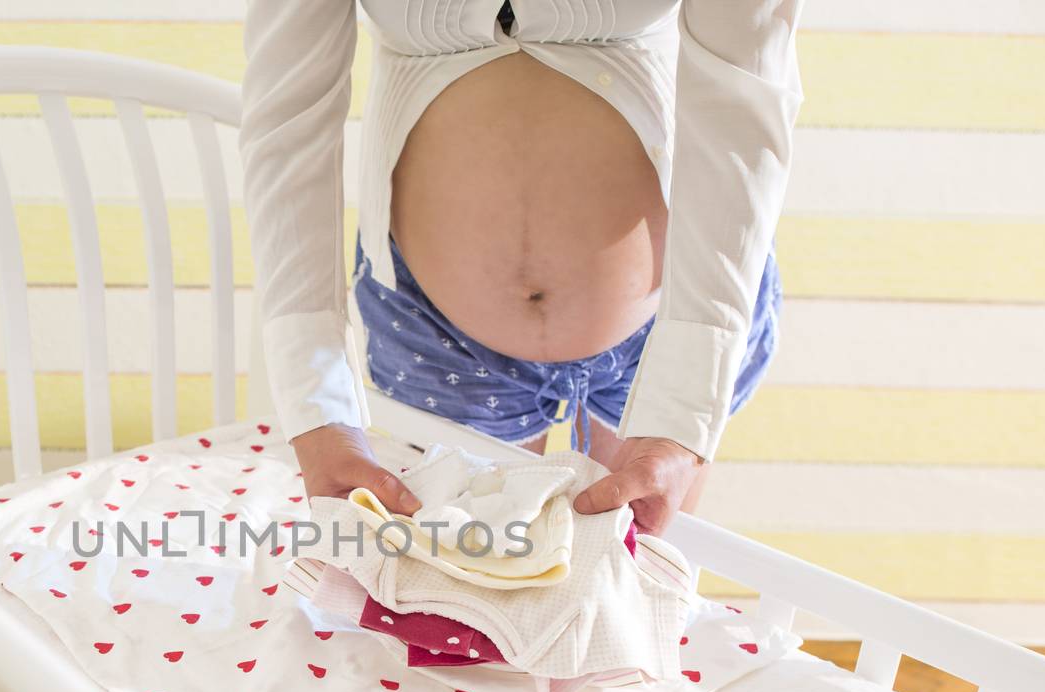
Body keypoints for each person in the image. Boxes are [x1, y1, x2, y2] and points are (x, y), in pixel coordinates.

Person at [240, 0, 803, 535]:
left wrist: (683, 417)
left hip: (672, 320)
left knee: (633, 598)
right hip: (435, 335)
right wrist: (317, 404)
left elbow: (743, 103)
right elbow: (289, 116)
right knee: (455, 613)